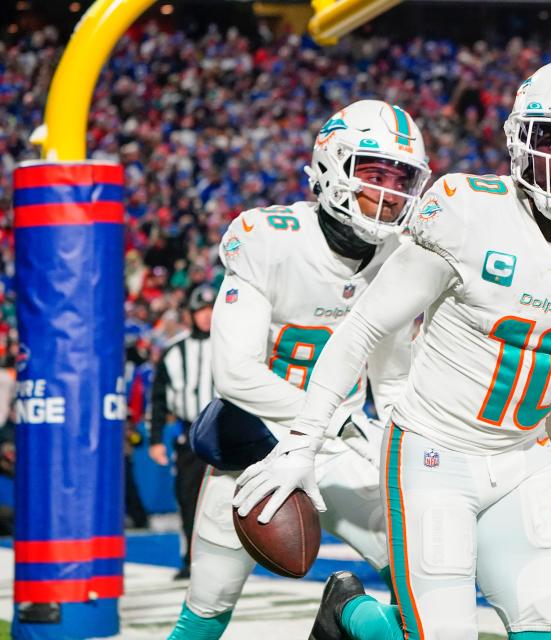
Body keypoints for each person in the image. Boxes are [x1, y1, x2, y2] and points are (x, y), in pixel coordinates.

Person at [235, 57, 551, 640]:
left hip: (525, 459)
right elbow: (361, 328)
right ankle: (351, 616)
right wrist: (304, 443)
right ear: (519, 140)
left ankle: (354, 616)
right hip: (432, 453)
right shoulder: (466, 208)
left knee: (549, 624)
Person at [165, 101, 431, 640]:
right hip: (258, 447)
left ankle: (344, 616)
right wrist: (338, 424)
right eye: (374, 174)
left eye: (401, 178)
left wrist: (406, 447)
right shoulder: (271, 238)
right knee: (202, 619)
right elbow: (235, 374)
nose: (389, 192)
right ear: (333, 168)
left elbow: (394, 379)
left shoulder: (402, 257)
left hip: (342, 451)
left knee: (426, 588)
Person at [150, 284, 218, 579]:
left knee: (228, 500)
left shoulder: (231, 346)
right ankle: (191, 560)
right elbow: (158, 399)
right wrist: (154, 440)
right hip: (190, 434)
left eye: (210, 310)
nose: (206, 316)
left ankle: (232, 563)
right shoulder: (174, 352)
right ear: (191, 314)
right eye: (200, 310)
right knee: (188, 499)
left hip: (225, 432)